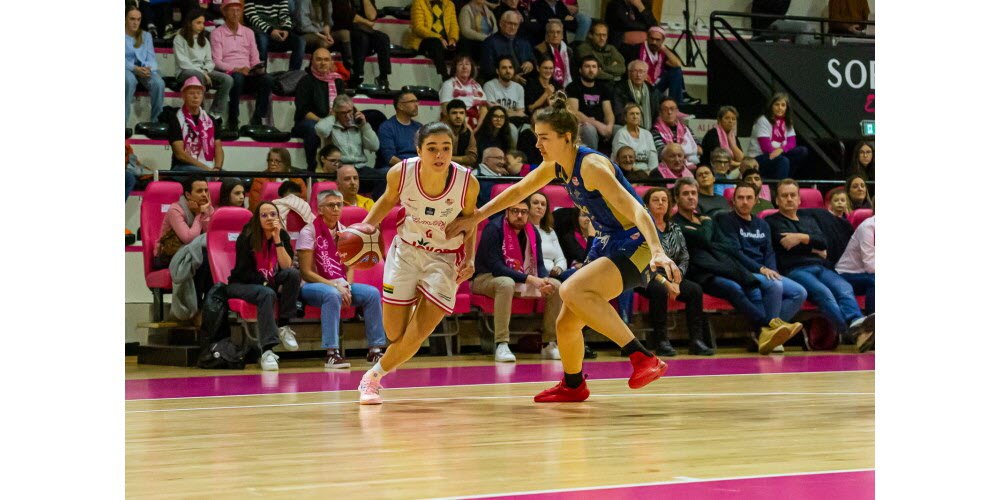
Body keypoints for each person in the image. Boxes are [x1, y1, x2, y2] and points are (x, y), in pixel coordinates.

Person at [446, 93, 677, 403]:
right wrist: (475, 217)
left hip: (636, 243)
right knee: (566, 323)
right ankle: (573, 384)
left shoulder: (593, 166)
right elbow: (518, 190)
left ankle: (642, 357)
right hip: (607, 241)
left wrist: (658, 250)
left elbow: (637, 210)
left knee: (571, 290)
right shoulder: (556, 165)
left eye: (544, 138)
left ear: (566, 138)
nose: (537, 144)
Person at [356, 122, 481, 404]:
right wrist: (364, 228)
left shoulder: (467, 182)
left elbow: (470, 223)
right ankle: (411, 297)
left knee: (416, 335)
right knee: (394, 334)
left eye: (446, 149)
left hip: (444, 257)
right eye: (432, 149)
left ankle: (372, 378)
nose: (440, 155)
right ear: (418, 151)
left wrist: (470, 257)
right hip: (406, 252)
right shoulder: (401, 173)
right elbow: (387, 201)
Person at [672, 177, 799, 354]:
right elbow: (704, 238)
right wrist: (708, 230)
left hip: (721, 266)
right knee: (734, 288)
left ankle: (765, 333)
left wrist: (710, 239)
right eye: (686, 194)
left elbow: (727, 246)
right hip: (700, 273)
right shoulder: (677, 223)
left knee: (750, 284)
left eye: (694, 193)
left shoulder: (705, 219)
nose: (691, 197)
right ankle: (769, 326)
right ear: (676, 198)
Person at [766, 179, 875, 349]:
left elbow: (823, 243)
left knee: (844, 288)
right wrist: (812, 245)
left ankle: (856, 323)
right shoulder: (772, 221)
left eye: (792, 195)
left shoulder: (808, 219)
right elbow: (786, 244)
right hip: (795, 270)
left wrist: (801, 238)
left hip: (822, 267)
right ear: (777, 200)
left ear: (799, 199)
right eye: (784, 196)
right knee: (825, 294)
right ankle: (852, 334)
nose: (789, 199)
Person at [298, 189, 389, 368]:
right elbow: (305, 272)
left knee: (372, 294)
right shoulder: (308, 232)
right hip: (311, 286)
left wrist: (346, 285)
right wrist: (336, 286)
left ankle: (375, 350)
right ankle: (332, 353)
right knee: (332, 294)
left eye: (339, 205)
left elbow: (350, 266)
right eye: (331, 205)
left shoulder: (346, 233)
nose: (336, 208)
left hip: (340, 284)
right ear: (320, 209)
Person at [473, 199, 563, 362]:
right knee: (505, 283)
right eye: (515, 211)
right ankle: (502, 344)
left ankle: (549, 343)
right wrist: (530, 279)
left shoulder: (532, 232)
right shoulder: (493, 229)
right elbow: (496, 267)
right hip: (485, 278)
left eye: (523, 212)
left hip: (519, 278)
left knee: (555, 285)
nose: (519, 215)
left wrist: (543, 279)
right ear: (507, 212)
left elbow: (540, 263)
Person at [716, 182, 808, 341]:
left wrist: (772, 269)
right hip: (742, 270)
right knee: (774, 285)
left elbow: (769, 251)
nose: (745, 201)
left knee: (799, 292)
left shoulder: (762, 224)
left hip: (763, 271)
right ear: (733, 201)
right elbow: (735, 253)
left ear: (756, 200)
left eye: (749, 198)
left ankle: (766, 332)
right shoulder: (726, 220)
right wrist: (762, 269)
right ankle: (770, 334)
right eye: (741, 198)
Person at [630, 187, 712, 356]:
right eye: (655, 200)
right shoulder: (640, 228)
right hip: (645, 276)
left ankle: (697, 341)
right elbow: (642, 262)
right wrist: (666, 283)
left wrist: (677, 280)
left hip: (672, 276)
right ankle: (661, 341)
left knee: (695, 290)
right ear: (646, 205)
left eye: (664, 200)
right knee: (659, 290)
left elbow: (684, 256)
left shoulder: (675, 228)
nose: (660, 203)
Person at [226, 201, 302, 371]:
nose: (269, 218)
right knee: (266, 293)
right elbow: (244, 272)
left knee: (293, 275)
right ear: (257, 219)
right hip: (241, 283)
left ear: (278, 218)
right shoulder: (247, 237)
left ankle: (283, 325)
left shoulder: (282, 235)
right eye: (264, 215)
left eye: (273, 215)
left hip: (267, 281)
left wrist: (277, 240)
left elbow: (286, 266)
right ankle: (267, 351)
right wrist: (268, 284)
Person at [211, 0, 274, 128]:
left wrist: (256, 67)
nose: (235, 14)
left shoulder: (248, 32)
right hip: (231, 73)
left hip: (248, 73)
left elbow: (255, 57)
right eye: (232, 10)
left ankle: (258, 119)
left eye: (238, 10)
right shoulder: (217, 33)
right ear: (225, 12)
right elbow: (217, 62)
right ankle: (233, 118)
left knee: (267, 79)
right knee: (237, 78)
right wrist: (236, 69)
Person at [174, 8, 233, 120]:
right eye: (198, 23)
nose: (202, 26)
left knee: (227, 80)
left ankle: (215, 114)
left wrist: (205, 71)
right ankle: (199, 113)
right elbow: (183, 62)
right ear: (190, 23)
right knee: (198, 75)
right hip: (185, 71)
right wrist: (202, 73)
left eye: (203, 23)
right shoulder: (179, 38)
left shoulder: (204, 40)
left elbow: (209, 61)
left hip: (203, 71)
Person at [293, 48, 345, 171]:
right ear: (312, 62)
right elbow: (303, 110)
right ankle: (312, 167)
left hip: (332, 120)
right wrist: (322, 121)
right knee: (313, 128)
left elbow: (344, 103)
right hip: (307, 123)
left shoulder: (337, 81)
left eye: (326, 60)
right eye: (319, 59)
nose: (323, 63)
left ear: (331, 63)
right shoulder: (306, 81)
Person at [154, 176, 215, 271]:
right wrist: (199, 214)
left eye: (206, 190)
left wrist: (206, 212)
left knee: (211, 256)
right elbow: (189, 239)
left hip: (191, 251)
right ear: (188, 195)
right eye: (199, 191)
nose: (204, 194)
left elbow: (209, 236)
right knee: (203, 258)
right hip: (167, 255)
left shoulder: (207, 208)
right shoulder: (175, 210)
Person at [624, 26, 698, 105]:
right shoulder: (636, 49)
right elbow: (629, 70)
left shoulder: (662, 52)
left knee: (676, 71)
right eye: (652, 39)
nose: (654, 42)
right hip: (640, 86)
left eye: (657, 40)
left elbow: (677, 64)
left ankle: (675, 106)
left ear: (663, 40)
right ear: (647, 38)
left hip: (655, 86)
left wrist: (663, 48)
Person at [746, 92, 809, 179]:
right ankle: (781, 187)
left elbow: (792, 143)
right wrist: (781, 152)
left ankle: (787, 180)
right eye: (777, 104)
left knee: (802, 151)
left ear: (787, 108)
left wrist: (781, 149)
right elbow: (766, 148)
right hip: (758, 158)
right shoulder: (763, 120)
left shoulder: (787, 121)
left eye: (783, 105)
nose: (780, 108)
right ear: (771, 106)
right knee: (784, 160)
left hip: (778, 153)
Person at [168, 77, 225, 172]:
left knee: (235, 182)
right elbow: (180, 154)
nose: (196, 96)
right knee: (201, 177)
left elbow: (218, 147)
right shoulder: (175, 119)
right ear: (183, 96)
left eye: (199, 93)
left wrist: (217, 168)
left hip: (209, 168)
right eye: (191, 93)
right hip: (182, 168)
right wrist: (206, 170)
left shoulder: (211, 120)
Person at [332, 0, 392, 89]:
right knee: (362, 38)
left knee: (383, 38)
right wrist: (367, 23)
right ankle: (357, 74)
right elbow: (348, 16)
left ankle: (383, 76)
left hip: (363, 30)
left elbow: (372, 16)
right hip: (344, 29)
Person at [125, 4, 165, 127]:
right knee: (129, 81)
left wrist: (147, 68)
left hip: (143, 69)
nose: (135, 22)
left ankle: (156, 121)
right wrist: (134, 68)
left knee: (159, 83)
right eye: (132, 19)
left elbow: (151, 58)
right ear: (125, 19)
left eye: (138, 19)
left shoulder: (146, 36)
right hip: (126, 68)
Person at [316, 94, 380, 169]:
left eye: (349, 111)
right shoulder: (330, 125)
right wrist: (332, 116)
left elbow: (374, 146)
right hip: (339, 166)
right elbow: (321, 130)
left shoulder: (359, 125)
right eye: (343, 113)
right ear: (336, 113)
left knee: (383, 176)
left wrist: (364, 126)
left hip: (360, 166)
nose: (348, 116)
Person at [835, 211, 875, 328]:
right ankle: (871, 327)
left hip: (867, 274)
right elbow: (870, 265)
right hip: (847, 274)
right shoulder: (868, 227)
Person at [566, 56, 615, 150]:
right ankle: (592, 161)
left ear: (598, 70)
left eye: (594, 67)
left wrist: (609, 126)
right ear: (580, 70)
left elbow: (608, 112)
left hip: (602, 124)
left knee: (620, 130)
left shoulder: (603, 87)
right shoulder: (573, 87)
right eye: (587, 66)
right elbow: (573, 112)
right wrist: (597, 124)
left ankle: (616, 163)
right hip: (582, 125)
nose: (591, 70)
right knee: (589, 129)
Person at [245, 0, 306, 71]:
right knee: (262, 39)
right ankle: (262, 73)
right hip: (261, 31)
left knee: (300, 42)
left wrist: (285, 29)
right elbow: (252, 17)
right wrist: (270, 31)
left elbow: (284, 15)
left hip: (278, 31)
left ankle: (293, 75)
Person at [407, 0, 460, 79]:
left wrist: (453, 39)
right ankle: (444, 76)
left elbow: (454, 25)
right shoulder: (419, 2)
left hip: (445, 42)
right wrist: (439, 37)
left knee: (464, 43)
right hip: (423, 41)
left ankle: (462, 78)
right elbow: (418, 27)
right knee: (435, 42)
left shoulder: (450, 4)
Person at [528, 192, 572, 282]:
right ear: (527, 206)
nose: (539, 206)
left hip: (553, 275)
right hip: (534, 275)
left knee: (577, 274)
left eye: (543, 204)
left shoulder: (550, 231)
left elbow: (561, 258)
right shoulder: (521, 229)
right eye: (535, 203)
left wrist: (559, 268)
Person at [481, 10, 536, 83]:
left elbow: (534, 61)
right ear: (501, 23)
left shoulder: (524, 42)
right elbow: (488, 70)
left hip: (526, 82)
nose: (513, 27)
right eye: (510, 23)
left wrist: (531, 64)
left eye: (516, 24)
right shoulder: (490, 42)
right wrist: (511, 78)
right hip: (500, 84)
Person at [438, 55, 488, 130]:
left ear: (472, 68)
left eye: (467, 64)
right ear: (455, 68)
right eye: (460, 64)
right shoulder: (448, 84)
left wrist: (478, 128)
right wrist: (465, 126)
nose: (464, 67)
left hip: (477, 126)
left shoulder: (477, 86)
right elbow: (446, 110)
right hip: (455, 125)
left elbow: (484, 109)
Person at [377, 92, 423, 169]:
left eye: (417, 101)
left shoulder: (419, 127)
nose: (416, 105)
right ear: (400, 106)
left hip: (418, 166)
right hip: (397, 167)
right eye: (412, 102)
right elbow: (390, 158)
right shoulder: (387, 127)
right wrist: (409, 168)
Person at [612, 60, 662, 129]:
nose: (638, 75)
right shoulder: (620, 89)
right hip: (627, 126)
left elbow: (662, 106)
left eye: (641, 71)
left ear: (646, 74)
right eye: (635, 71)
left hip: (650, 129)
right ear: (629, 73)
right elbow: (619, 114)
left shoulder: (652, 91)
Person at [651, 97, 699, 167]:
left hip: (691, 166)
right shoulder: (655, 130)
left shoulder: (686, 129)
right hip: (667, 168)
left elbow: (699, 149)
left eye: (672, 109)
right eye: (665, 109)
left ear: (677, 111)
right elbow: (662, 153)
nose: (669, 112)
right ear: (660, 113)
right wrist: (689, 150)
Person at [612, 103, 657, 174]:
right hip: (629, 173)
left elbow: (653, 158)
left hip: (648, 174)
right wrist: (641, 174)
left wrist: (651, 173)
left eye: (637, 114)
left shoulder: (647, 134)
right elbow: (624, 160)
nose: (635, 116)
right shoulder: (621, 134)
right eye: (632, 114)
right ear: (625, 117)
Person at [483, 57, 527, 122]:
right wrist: (514, 113)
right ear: (497, 71)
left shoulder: (519, 88)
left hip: (516, 121)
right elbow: (494, 110)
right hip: (498, 121)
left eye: (510, 67)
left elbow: (521, 113)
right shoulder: (489, 85)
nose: (508, 71)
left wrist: (502, 109)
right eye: (504, 68)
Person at [533, 20, 573, 88]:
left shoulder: (568, 51)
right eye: (552, 32)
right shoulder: (539, 50)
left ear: (562, 35)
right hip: (545, 86)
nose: (555, 35)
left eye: (558, 32)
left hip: (565, 86)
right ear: (547, 35)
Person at [444, 100, 479, 168]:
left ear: (465, 115)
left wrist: (449, 158)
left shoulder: (468, 131)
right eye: (454, 113)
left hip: (461, 168)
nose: (458, 116)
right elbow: (438, 157)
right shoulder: (439, 130)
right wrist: (463, 159)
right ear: (447, 115)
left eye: (461, 113)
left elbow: (472, 158)